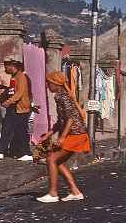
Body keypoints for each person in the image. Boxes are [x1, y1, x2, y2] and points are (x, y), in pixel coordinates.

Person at [36, 72, 89, 203]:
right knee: (58, 162)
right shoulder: (61, 96)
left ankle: (53, 193)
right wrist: (49, 134)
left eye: (49, 83)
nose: (47, 85)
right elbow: (61, 121)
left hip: (75, 134)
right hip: (76, 134)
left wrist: (62, 138)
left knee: (51, 158)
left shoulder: (63, 97)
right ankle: (75, 191)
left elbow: (70, 118)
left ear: (56, 83)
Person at [0, 57, 33, 161]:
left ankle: (26, 153)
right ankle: (0, 151)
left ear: (12, 66)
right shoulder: (14, 77)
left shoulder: (21, 76)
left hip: (20, 109)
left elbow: (19, 93)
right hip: (13, 107)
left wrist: (8, 102)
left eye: (6, 66)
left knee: (21, 131)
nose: (5, 68)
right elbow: (13, 91)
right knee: (7, 129)